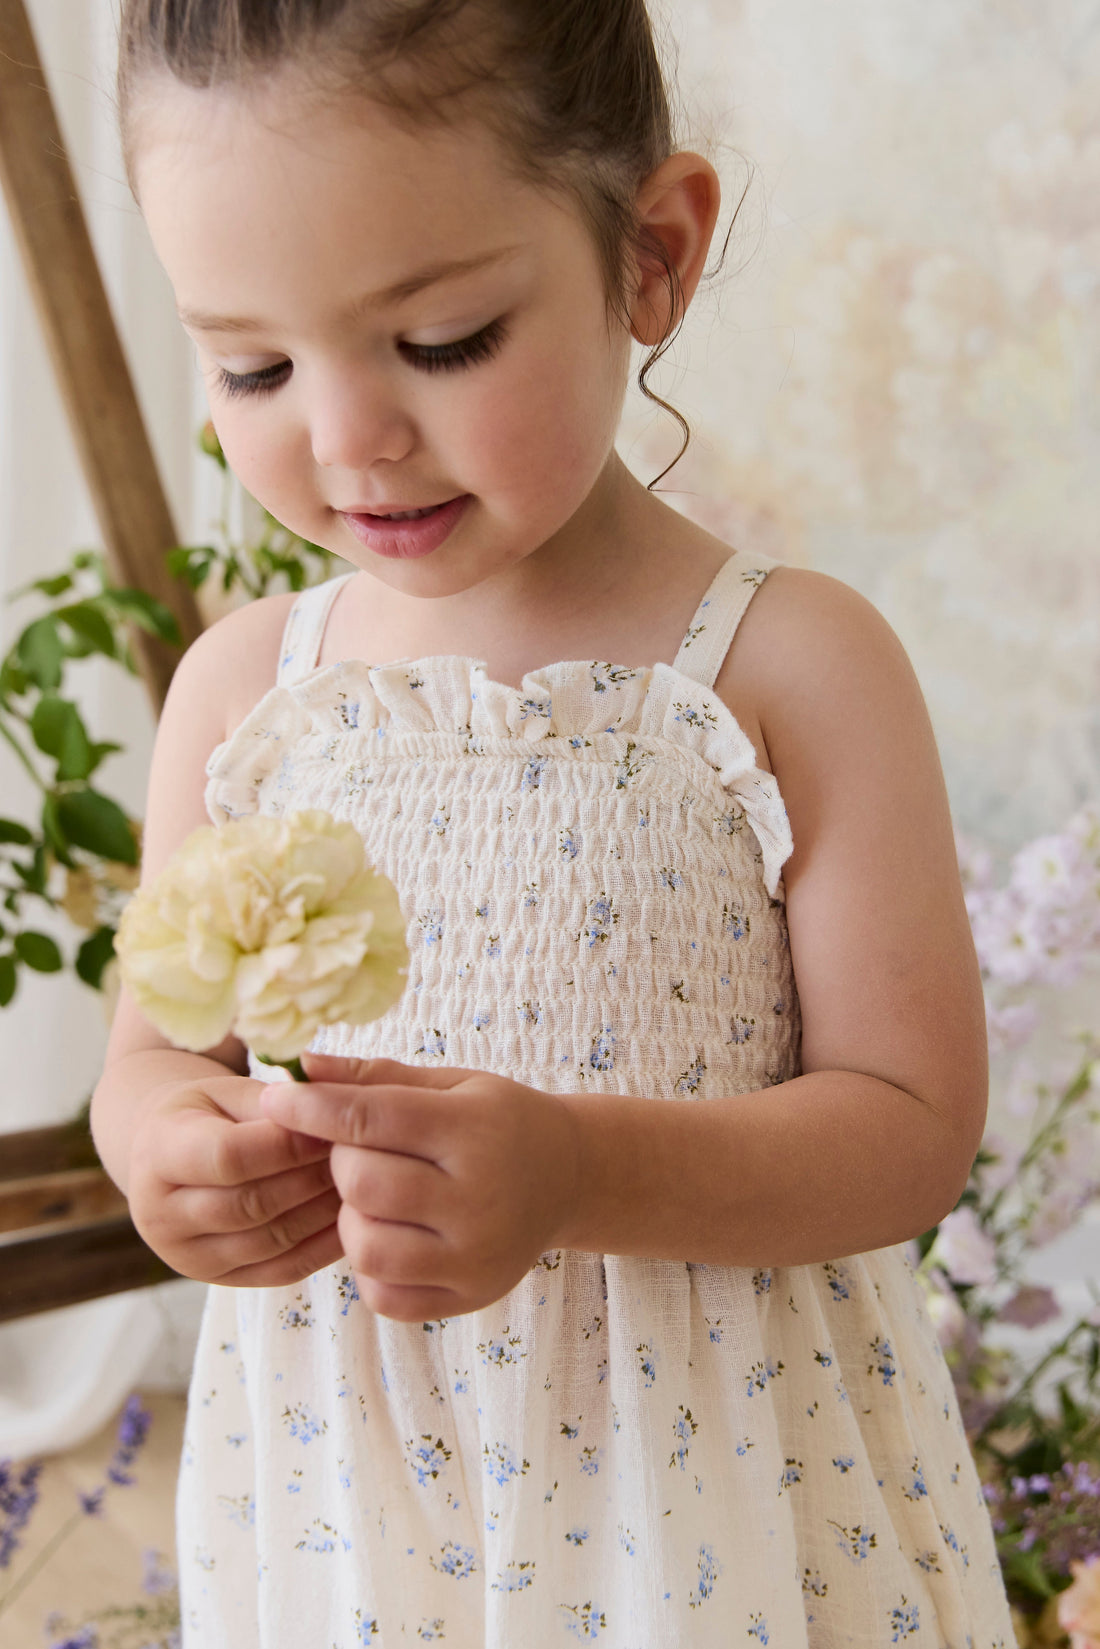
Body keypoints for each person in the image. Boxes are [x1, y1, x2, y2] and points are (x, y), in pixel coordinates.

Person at [91, 2, 1018, 1644]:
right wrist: (170, 1147)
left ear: (649, 256)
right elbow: (158, 1052)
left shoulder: (786, 667)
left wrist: (577, 1166)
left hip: (715, 1507)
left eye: (442, 340)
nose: (347, 435)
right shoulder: (246, 695)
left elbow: (908, 1124)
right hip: (362, 1509)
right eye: (249, 363)